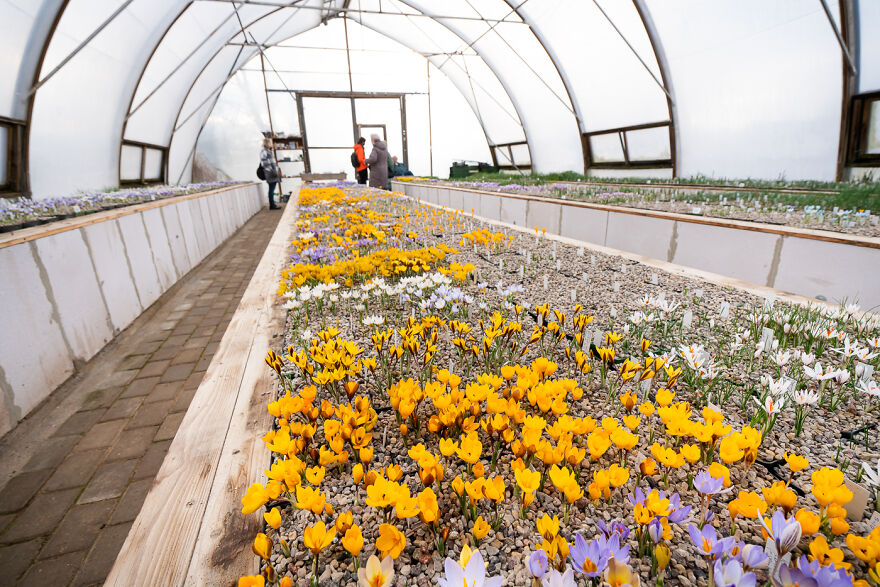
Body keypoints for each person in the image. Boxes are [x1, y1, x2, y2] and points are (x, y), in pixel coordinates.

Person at [260, 138, 281, 209]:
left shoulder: (268, 151)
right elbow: (264, 163)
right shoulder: (264, 151)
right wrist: (271, 170)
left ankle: (272, 204)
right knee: (271, 189)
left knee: (272, 188)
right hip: (270, 173)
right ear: (267, 143)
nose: (271, 144)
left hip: (272, 173)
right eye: (270, 143)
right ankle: (272, 205)